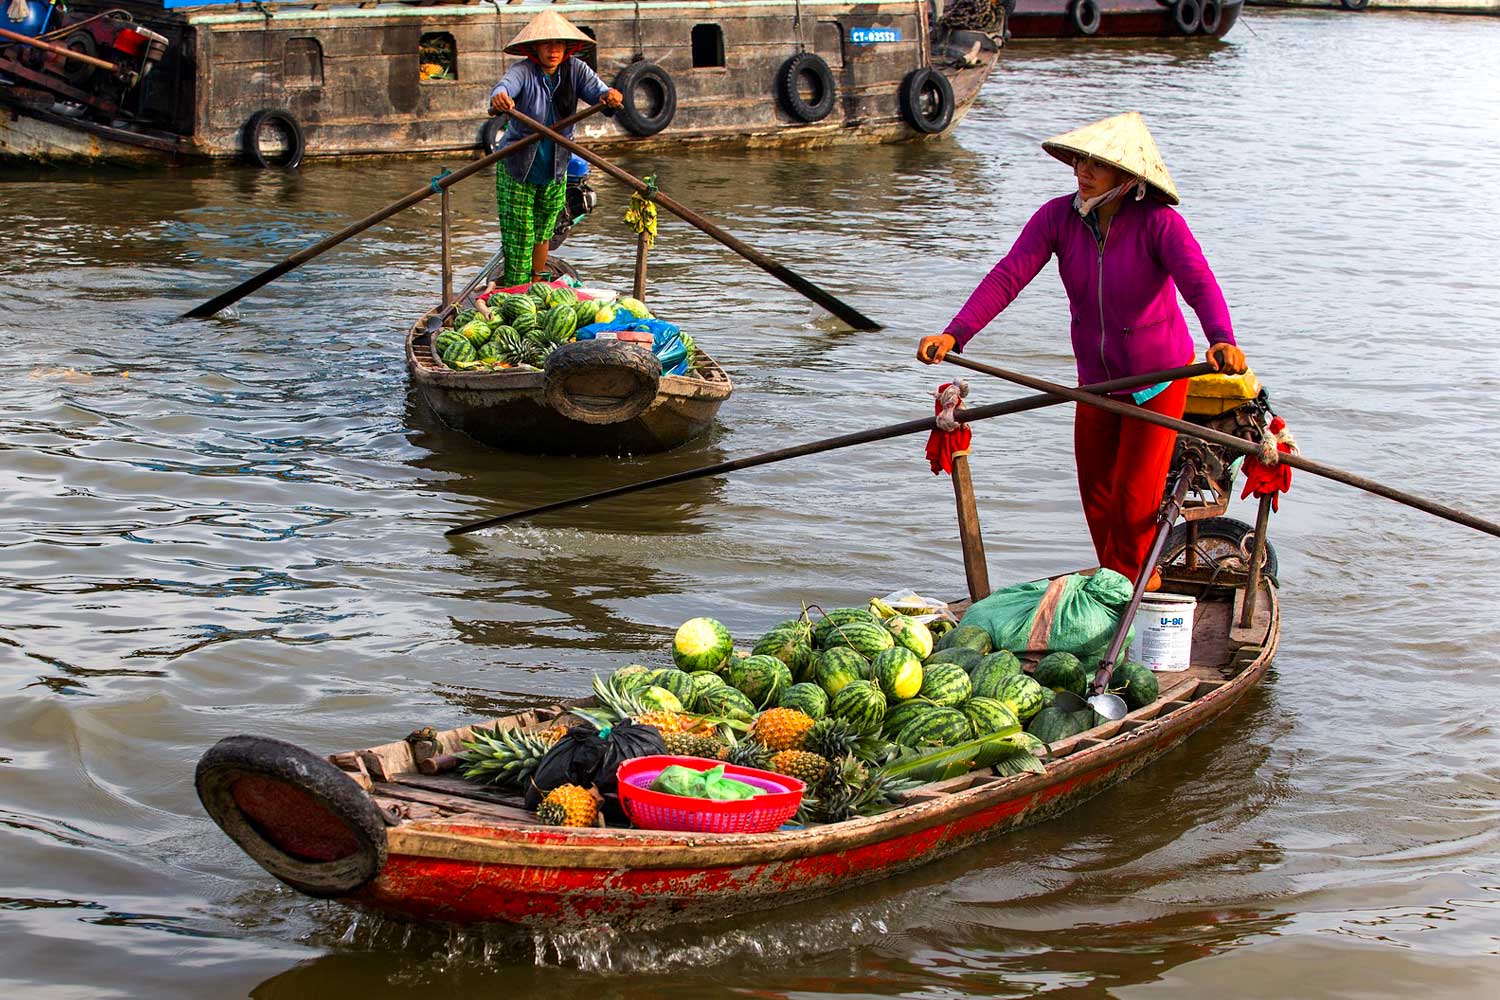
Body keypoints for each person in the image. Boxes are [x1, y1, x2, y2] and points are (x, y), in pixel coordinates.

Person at [917, 111, 1248, 592]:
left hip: (1158, 378)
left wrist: (1222, 339)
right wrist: (955, 334)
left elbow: (1198, 282)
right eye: (1079, 161)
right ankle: (1125, 580)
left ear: (1128, 177)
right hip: (1096, 380)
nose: (1082, 172)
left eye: (1097, 164)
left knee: (1134, 500)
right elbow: (1009, 275)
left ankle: (1132, 588)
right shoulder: (1057, 217)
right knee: (1096, 493)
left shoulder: (1160, 223)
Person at [487, 11, 623, 287]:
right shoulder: (523, 71)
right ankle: (517, 288)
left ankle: (538, 282)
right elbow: (503, 89)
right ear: (534, 48)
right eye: (547, 45)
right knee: (520, 233)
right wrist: (500, 98)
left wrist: (610, 95)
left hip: (556, 163)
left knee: (545, 227)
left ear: (567, 48)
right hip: (519, 164)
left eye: (559, 45)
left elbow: (600, 92)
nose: (553, 51)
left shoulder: (576, 70)